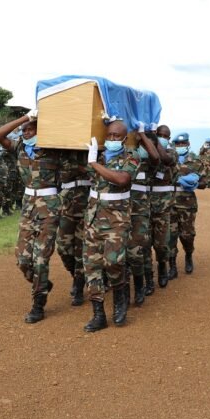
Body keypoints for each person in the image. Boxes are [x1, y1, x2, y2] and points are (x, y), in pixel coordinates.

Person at [0, 109, 60, 323]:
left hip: (49, 206)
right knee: (22, 258)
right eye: (24, 131)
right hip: (27, 205)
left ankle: (38, 304)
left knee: (40, 258)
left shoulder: (53, 149)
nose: (26, 133)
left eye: (30, 130)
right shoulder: (20, 147)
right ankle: (42, 284)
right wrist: (26, 118)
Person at [82, 118, 140, 332]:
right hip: (94, 216)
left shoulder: (131, 156)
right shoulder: (98, 153)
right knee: (92, 265)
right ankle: (98, 314)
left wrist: (94, 163)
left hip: (117, 218)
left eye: (117, 136)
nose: (113, 139)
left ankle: (120, 298)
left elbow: (122, 179)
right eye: (109, 135)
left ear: (125, 138)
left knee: (113, 261)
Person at [127, 123, 160, 306]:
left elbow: (155, 156)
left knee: (140, 247)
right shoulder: (125, 156)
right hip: (120, 206)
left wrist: (141, 134)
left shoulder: (147, 161)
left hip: (140, 207)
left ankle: (143, 282)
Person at [57, 146, 91, 306]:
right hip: (67, 205)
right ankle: (76, 275)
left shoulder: (94, 151)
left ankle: (78, 285)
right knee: (63, 247)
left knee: (81, 249)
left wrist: (81, 166)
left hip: (88, 204)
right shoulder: (60, 151)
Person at [146, 124, 176, 292]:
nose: (162, 137)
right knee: (143, 243)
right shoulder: (146, 150)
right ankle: (148, 277)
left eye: (165, 136)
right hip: (144, 204)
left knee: (161, 243)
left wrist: (155, 140)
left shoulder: (172, 152)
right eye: (159, 134)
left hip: (163, 206)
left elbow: (164, 159)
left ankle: (162, 266)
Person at [170, 133, 204, 276]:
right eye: (178, 144)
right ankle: (172, 265)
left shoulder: (195, 161)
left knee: (187, 235)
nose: (180, 147)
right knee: (170, 236)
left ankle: (188, 255)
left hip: (187, 204)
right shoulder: (169, 160)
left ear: (188, 144)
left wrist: (195, 181)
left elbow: (204, 183)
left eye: (183, 144)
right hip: (170, 203)